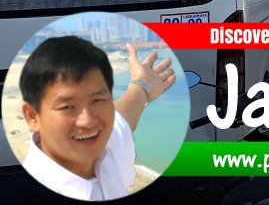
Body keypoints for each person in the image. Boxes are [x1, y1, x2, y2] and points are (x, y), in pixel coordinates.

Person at [19, 36, 175, 201]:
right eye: (67, 107)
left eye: (97, 100)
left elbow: (122, 118)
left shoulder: (103, 150)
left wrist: (143, 85)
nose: (88, 121)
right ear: (32, 116)